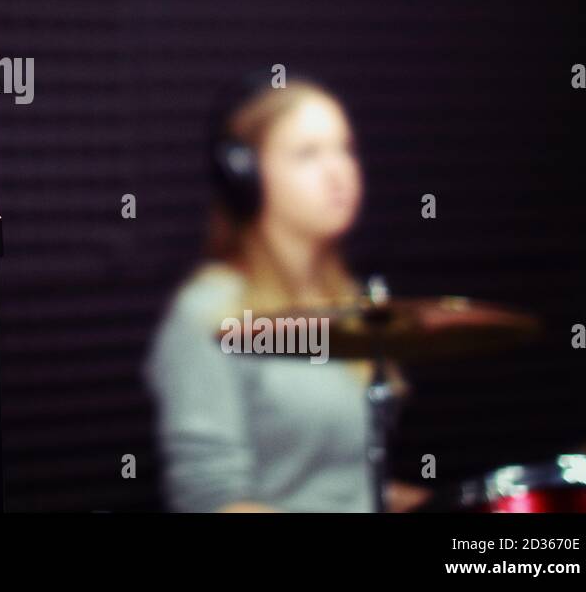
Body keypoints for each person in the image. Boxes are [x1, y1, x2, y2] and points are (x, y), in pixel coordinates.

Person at [142, 74, 424, 512]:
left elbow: (340, 490)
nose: (338, 172)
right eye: (307, 154)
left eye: (345, 149)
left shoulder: (347, 300)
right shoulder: (209, 313)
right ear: (246, 176)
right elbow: (213, 502)